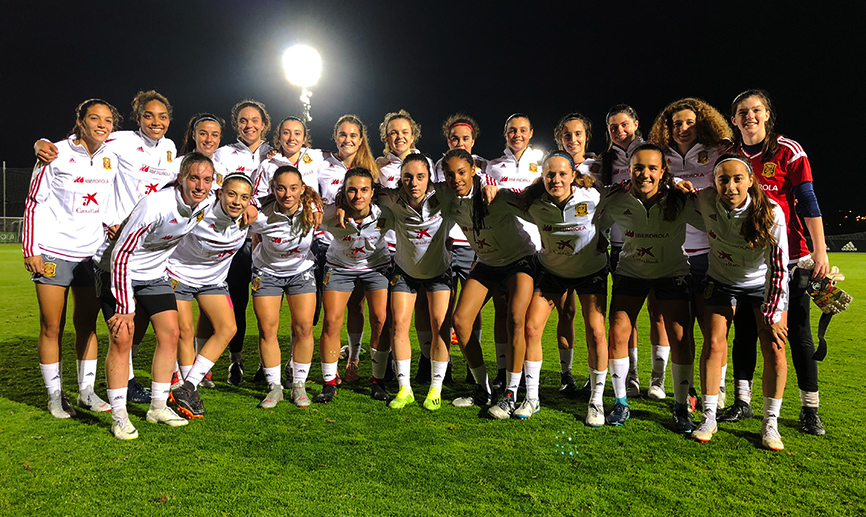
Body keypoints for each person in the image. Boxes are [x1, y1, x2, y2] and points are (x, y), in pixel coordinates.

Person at [35, 90, 179, 405]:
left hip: (136, 250)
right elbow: (81, 143)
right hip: (102, 247)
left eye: (163, 116)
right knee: (88, 322)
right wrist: (42, 144)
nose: (156, 122)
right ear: (138, 117)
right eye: (149, 115)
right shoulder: (120, 140)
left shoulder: (169, 148)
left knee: (118, 320)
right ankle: (66, 393)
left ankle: (100, 388)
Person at [718, 89, 830, 436]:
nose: (749, 116)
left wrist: (820, 250)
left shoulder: (788, 151)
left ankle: (809, 408)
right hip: (749, 259)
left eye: (755, 110)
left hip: (792, 257)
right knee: (746, 332)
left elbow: (807, 199)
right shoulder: (731, 155)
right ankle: (742, 400)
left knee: (796, 333)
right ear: (733, 119)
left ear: (767, 114)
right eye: (741, 112)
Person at [99, 152, 215, 439]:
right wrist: (126, 306)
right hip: (118, 271)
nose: (200, 185)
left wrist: (249, 204)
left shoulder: (206, 201)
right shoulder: (156, 204)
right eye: (194, 178)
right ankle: (119, 416)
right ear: (180, 178)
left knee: (171, 334)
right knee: (122, 337)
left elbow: (234, 195)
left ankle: (157, 407)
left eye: (207, 179)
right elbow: (121, 253)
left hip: (153, 275)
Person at [24, 98, 122, 418]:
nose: (102, 125)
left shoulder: (111, 156)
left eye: (108, 120)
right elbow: (34, 201)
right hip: (53, 251)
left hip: (91, 254)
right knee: (52, 326)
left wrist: (114, 225)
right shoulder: (54, 153)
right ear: (80, 121)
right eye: (95, 118)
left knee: (87, 325)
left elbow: (106, 204)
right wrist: (31, 250)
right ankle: (55, 396)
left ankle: (86, 393)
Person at [594, 143, 701, 432]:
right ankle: (620, 402)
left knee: (680, 337)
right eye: (638, 167)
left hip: (672, 274)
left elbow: (711, 223)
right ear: (628, 170)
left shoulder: (679, 200)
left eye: (652, 168)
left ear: (663, 171)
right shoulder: (616, 200)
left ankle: (680, 407)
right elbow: (594, 223)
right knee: (616, 333)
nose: (645, 174)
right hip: (630, 273)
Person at [690, 155, 789, 450]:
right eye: (723, 179)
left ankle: (770, 422)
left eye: (737, 179)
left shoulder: (771, 212)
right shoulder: (705, 200)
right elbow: (677, 199)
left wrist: (775, 311)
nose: (730, 186)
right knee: (713, 344)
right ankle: (709, 415)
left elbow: (779, 267)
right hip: (721, 281)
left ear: (750, 181)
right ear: (714, 182)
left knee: (775, 347)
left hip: (762, 285)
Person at [511, 152, 609, 423]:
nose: (556, 179)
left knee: (597, 332)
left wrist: (603, 235)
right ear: (542, 177)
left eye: (562, 174)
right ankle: (532, 398)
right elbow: (505, 200)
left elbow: (618, 202)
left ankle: (596, 402)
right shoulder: (533, 204)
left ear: (573, 176)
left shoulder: (592, 197)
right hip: (552, 271)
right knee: (531, 328)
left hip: (591, 272)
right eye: (550, 175)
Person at [647, 98, 732, 405]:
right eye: (676, 124)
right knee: (677, 326)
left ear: (702, 123)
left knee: (711, 326)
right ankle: (675, 384)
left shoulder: (719, 151)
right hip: (672, 253)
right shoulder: (660, 157)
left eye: (689, 122)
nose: (682, 129)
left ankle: (718, 386)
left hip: (711, 253)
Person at [440, 149, 536, 418]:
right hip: (487, 263)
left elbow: (537, 212)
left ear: (474, 170)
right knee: (460, 320)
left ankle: (510, 394)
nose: (456, 178)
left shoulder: (497, 195)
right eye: (450, 173)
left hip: (520, 260)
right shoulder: (449, 198)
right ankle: (483, 389)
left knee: (516, 320)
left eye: (461, 172)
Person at [166, 173, 254, 417]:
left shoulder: (249, 218)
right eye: (232, 194)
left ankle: (188, 386)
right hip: (179, 276)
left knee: (228, 328)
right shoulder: (199, 211)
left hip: (213, 281)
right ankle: (185, 388)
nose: (237, 201)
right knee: (184, 332)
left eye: (244, 197)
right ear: (220, 193)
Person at [373, 154, 453, 411]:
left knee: (440, 325)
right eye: (408, 177)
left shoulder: (445, 194)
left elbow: (471, 188)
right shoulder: (392, 198)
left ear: (429, 177)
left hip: (439, 271)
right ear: (400, 178)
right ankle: (404, 388)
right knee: (398, 325)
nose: (414, 183)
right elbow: (364, 192)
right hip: (405, 271)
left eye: (420, 176)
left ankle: (435, 388)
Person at [248, 165, 321, 409]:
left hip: (301, 271)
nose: (287, 194)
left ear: (302, 189)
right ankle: (274, 387)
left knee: (304, 328)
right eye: (281, 188)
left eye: (293, 188)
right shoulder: (260, 213)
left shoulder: (313, 210)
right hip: (267, 272)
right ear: (273, 189)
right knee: (267, 329)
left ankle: (298, 384)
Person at [317, 115, 382, 383]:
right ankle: (312, 369)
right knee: (328, 315)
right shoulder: (321, 163)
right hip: (329, 241)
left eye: (353, 135)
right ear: (335, 137)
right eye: (342, 134)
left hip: (369, 249)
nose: (348, 140)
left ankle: (354, 360)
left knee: (358, 308)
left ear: (361, 139)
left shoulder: (373, 168)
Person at [319, 168, 392, 403]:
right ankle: (329, 382)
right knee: (331, 320)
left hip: (376, 266)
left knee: (380, 319)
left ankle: (377, 381)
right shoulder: (331, 214)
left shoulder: (386, 213)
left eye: (364, 190)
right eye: (352, 190)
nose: (358, 195)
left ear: (372, 192)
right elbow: (302, 215)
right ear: (344, 192)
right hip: (339, 266)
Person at [214, 100, 273, 386]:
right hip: (235, 240)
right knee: (236, 303)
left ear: (264, 124)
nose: (249, 125)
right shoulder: (223, 154)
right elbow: (216, 191)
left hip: (269, 240)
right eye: (243, 120)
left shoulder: (275, 154)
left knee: (268, 305)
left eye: (254, 120)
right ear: (236, 124)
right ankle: (234, 362)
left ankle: (267, 363)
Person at [376, 110, 439, 381]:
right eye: (393, 132)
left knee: (424, 309)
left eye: (404, 132)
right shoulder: (377, 165)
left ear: (413, 135)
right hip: (386, 245)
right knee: (390, 312)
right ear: (386, 137)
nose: (399, 137)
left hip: (420, 246)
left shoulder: (428, 163)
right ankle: (388, 362)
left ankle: (426, 362)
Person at [484, 113, 543, 391]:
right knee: (503, 312)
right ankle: (502, 369)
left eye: (522, 130)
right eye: (511, 130)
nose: (517, 135)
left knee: (529, 319)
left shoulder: (542, 165)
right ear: (505, 134)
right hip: (504, 247)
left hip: (537, 250)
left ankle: (530, 377)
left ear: (531, 133)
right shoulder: (493, 167)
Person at [433, 114, 487, 383]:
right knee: (442, 310)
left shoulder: (482, 171)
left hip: (470, 247)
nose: (460, 142)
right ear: (448, 140)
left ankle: (469, 361)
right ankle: (443, 362)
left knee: (470, 312)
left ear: (473, 141)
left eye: (466, 138)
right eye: (455, 138)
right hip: (443, 246)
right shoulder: (436, 168)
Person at [551, 112, 596, 394]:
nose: (572, 139)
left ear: (586, 137)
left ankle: (596, 375)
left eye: (578, 134)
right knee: (565, 313)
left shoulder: (599, 166)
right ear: (559, 139)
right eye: (567, 135)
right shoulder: (553, 165)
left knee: (595, 321)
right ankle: (566, 375)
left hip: (591, 252)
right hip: (558, 252)